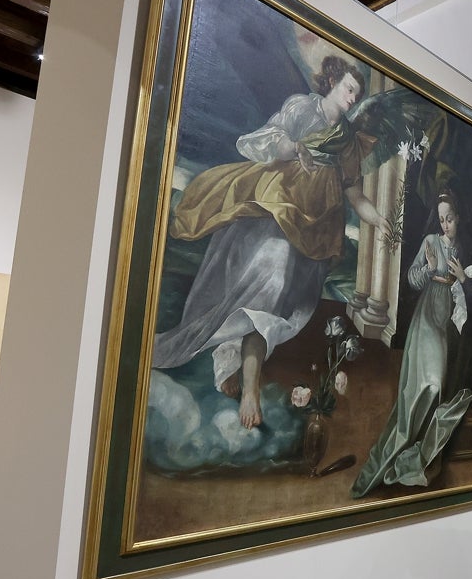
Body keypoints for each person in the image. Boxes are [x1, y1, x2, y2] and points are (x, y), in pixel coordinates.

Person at [152, 55, 392, 429]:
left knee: (278, 307)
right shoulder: (301, 108)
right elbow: (268, 139)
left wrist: (376, 218)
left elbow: (354, 192)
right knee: (268, 287)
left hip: (311, 235)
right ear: (331, 82)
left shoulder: (347, 140)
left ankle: (239, 368)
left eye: (357, 94)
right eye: (348, 89)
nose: (351, 99)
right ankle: (249, 387)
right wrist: (294, 149)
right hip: (274, 217)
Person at [351, 192, 472, 497]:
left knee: (441, 388)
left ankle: (421, 454)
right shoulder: (430, 242)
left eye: (449, 218)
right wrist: (429, 267)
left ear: (459, 217)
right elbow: (412, 279)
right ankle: (399, 448)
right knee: (430, 385)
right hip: (427, 314)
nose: (445, 224)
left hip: (448, 318)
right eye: (441, 219)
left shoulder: (463, 247)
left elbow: (471, 284)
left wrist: (462, 277)